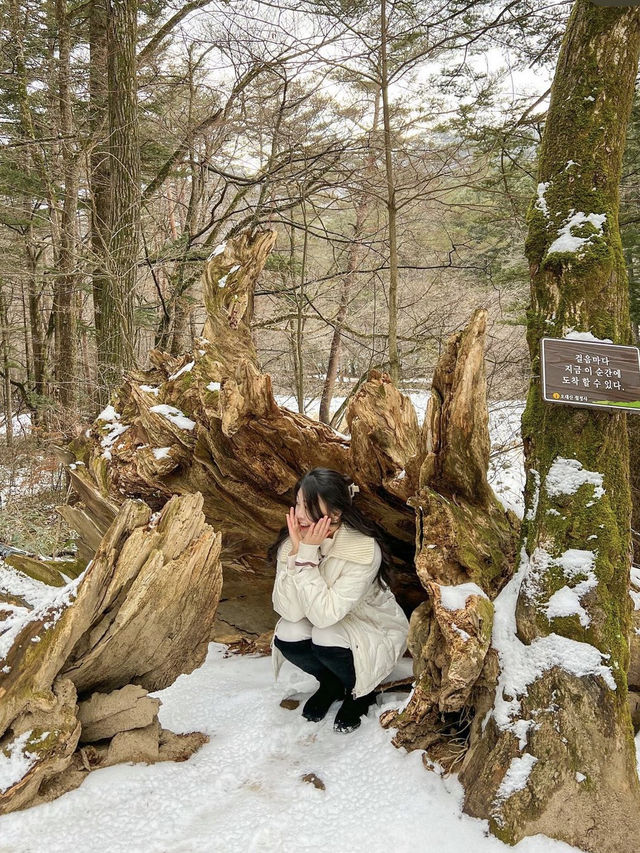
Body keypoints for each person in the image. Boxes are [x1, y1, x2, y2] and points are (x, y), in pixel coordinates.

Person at [270, 468, 409, 733]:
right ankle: (331, 684)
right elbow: (288, 610)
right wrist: (299, 554)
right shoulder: (294, 542)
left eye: (309, 506)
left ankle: (362, 692)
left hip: (373, 627)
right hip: (332, 622)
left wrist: (308, 557)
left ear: (334, 514)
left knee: (324, 633)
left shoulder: (363, 549)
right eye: (298, 503)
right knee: (288, 631)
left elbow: (325, 616)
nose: (298, 514)